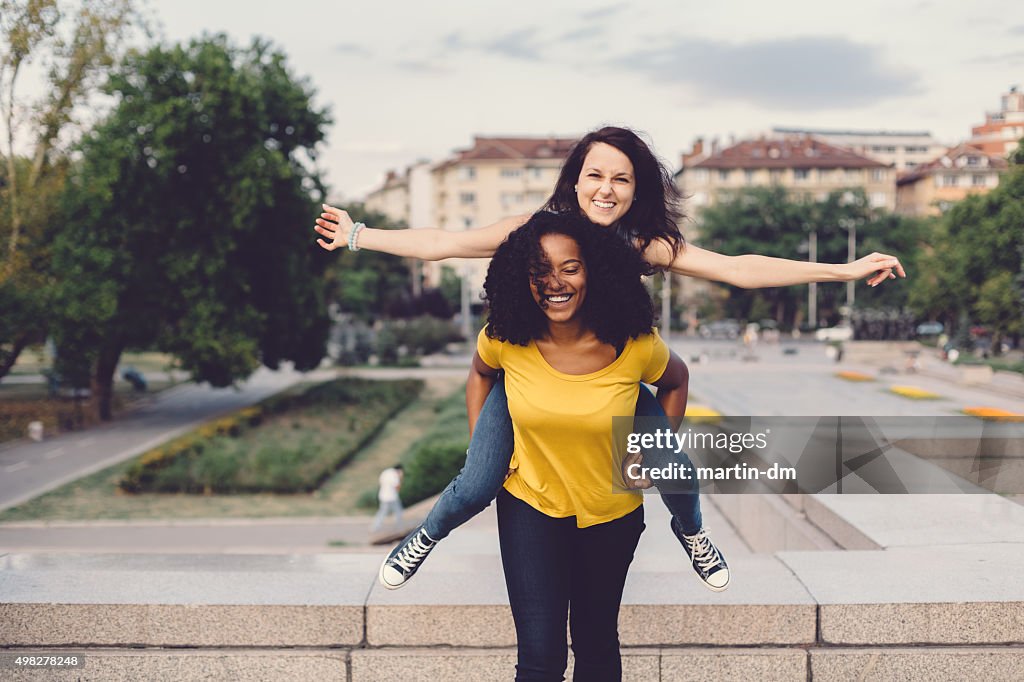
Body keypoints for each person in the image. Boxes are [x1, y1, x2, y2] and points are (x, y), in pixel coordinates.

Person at [317, 127, 906, 592]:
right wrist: (358, 234)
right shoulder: (536, 230)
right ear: (575, 181)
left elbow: (737, 267)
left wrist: (844, 269)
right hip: (532, 377)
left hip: (613, 380)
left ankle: (693, 533)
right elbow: (445, 242)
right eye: (595, 174)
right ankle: (420, 539)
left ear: (635, 190)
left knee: (678, 473)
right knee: (475, 483)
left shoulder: (641, 244)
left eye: (621, 179)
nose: (606, 188)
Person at [474, 211, 684, 679]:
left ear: (594, 272)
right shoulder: (507, 337)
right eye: (541, 270)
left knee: (595, 647)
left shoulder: (635, 344)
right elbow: (480, 373)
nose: (555, 282)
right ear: (522, 278)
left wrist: (652, 453)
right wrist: (483, 451)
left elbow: (676, 382)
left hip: (611, 514)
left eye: (570, 268)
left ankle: (694, 532)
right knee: (540, 658)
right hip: (530, 506)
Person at [370, 463, 403, 532]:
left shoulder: (385, 472)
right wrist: (400, 478)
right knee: (398, 512)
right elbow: (397, 487)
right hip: (392, 497)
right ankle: (399, 528)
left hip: (383, 495)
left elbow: (380, 482)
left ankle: (374, 527)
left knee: (382, 512)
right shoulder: (395, 474)